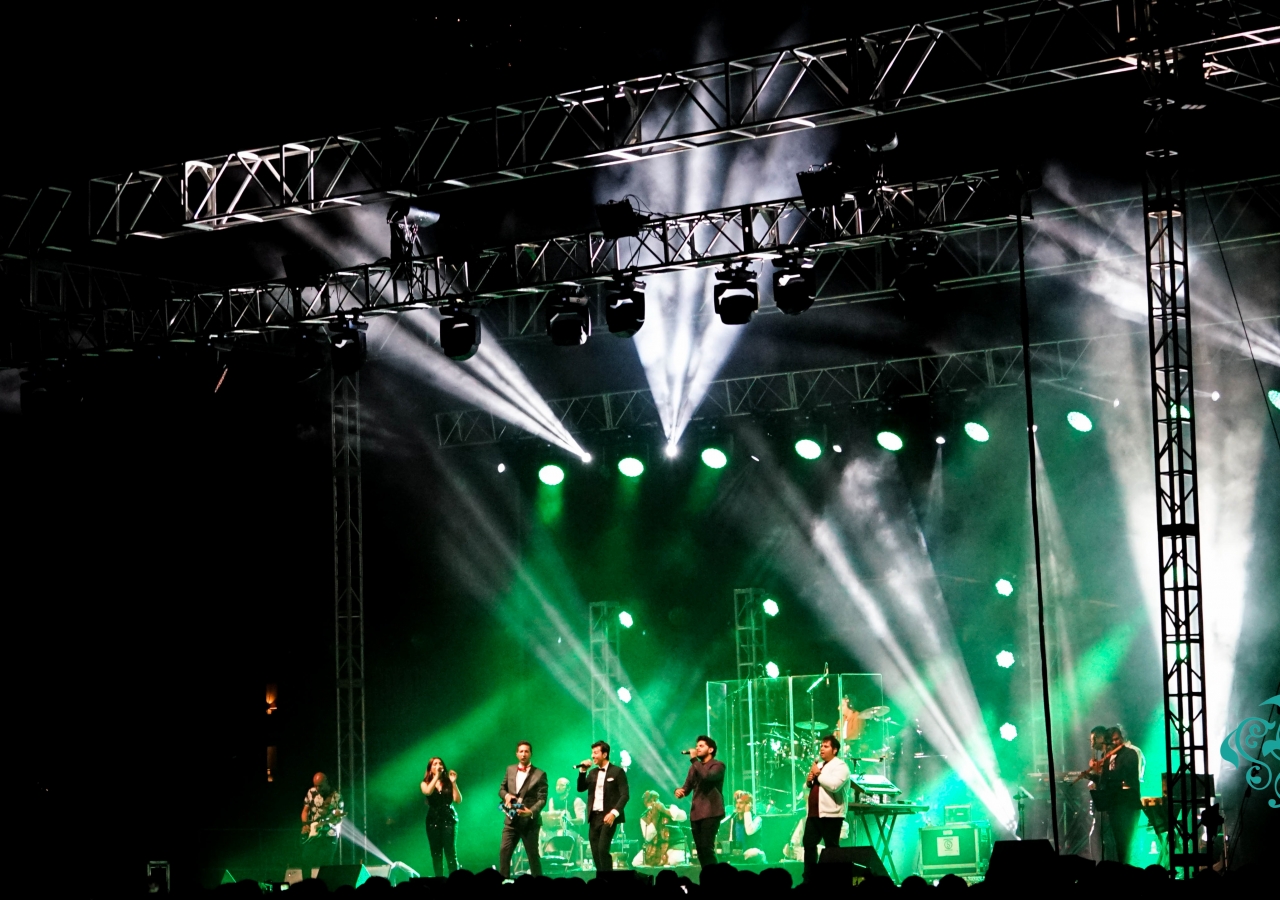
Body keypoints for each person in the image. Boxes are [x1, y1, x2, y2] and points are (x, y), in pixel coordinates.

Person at [802, 735, 850, 882]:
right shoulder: (821, 765)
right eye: (821, 745)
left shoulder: (841, 766)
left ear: (835, 750)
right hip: (814, 814)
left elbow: (834, 786)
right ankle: (809, 878)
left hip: (832, 815)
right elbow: (807, 788)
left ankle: (834, 879)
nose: (822, 748)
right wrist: (808, 782)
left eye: (826, 746)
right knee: (808, 844)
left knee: (831, 848)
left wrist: (817, 773)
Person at [498, 741, 548, 878]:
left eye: (526, 751)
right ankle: (503, 882)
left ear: (531, 753)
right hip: (511, 820)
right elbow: (501, 789)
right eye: (521, 751)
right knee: (504, 852)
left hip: (530, 822)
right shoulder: (510, 769)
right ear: (516, 754)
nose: (523, 754)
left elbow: (542, 799)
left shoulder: (540, 774)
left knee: (533, 856)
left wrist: (531, 811)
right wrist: (506, 795)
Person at [577, 740, 629, 872]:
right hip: (594, 817)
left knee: (602, 850)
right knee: (594, 852)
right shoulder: (593, 773)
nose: (592, 756)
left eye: (595, 753)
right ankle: (601, 881)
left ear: (604, 754)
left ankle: (608, 881)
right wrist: (583, 771)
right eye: (592, 753)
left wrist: (613, 813)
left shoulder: (617, 772)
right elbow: (580, 788)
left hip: (608, 817)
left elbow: (625, 795)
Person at [1093, 725, 1143, 863]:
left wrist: (1105, 771)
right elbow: (1104, 781)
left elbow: (1126, 776)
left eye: (1117, 739)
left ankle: (1131, 874)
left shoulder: (1130, 753)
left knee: (1127, 843)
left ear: (1122, 738)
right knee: (1117, 843)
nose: (1115, 743)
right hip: (1114, 805)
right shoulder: (1108, 757)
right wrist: (1094, 774)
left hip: (1128, 804)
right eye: (1112, 741)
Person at [675, 735, 726, 866]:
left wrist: (693, 760)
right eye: (696, 746)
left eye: (701, 746)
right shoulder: (694, 767)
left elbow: (707, 777)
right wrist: (680, 791)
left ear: (710, 750)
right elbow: (687, 786)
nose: (697, 748)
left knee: (706, 848)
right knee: (700, 851)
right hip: (696, 813)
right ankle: (707, 878)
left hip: (711, 812)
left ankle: (715, 879)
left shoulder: (718, 765)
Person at [421, 757, 461, 877]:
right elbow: (427, 792)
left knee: (450, 853)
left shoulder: (448, 782)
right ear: (430, 768)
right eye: (435, 764)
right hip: (433, 820)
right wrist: (436, 777)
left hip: (449, 818)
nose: (438, 765)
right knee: (436, 853)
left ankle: (454, 881)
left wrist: (453, 783)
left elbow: (458, 800)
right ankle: (439, 881)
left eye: (440, 763)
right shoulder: (425, 783)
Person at [300, 772, 345, 877]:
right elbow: (305, 811)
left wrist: (336, 818)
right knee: (305, 859)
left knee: (326, 865)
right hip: (313, 833)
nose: (317, 788)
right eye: (315, 785)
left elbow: (338, 820)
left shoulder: (337, 797)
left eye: (320, 785)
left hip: (329, 835)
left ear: (326, 782)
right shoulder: (311, 792)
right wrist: (305, 824)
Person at [632, 790, 688, 867]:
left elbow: (684, 817)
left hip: (674, 845)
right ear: (646, 804)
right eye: (650, 801)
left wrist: (664, 810)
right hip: (655, 847)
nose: (653, 803)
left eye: (655, 800)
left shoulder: (670, 807)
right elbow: (647, 838)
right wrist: (655, 819)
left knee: (672, 861)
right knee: (636, 862)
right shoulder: (644, 817)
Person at [726, 790, 766, 862]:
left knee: (752, 853)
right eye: (737, 803)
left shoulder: (757, 819)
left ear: (748, 805)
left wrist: (747, 812)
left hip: (754, 857)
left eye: (741, 803)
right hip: (739, 856)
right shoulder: (734, 819)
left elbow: (749, 831)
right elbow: (731, 838)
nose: (738, 806)